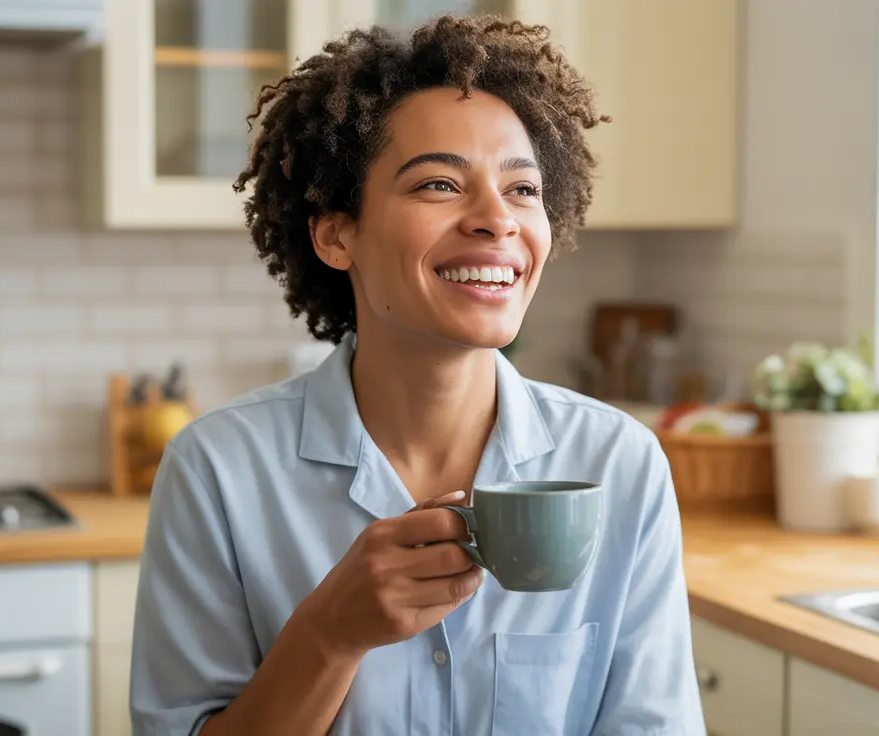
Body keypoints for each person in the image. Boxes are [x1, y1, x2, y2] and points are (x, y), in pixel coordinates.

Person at [129, 13, 706, 736]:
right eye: (439, 184)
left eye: (523, 189)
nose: (498, 220)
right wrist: (329, 635)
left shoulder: (619, 465)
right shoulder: (217, 470)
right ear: (337, 234)